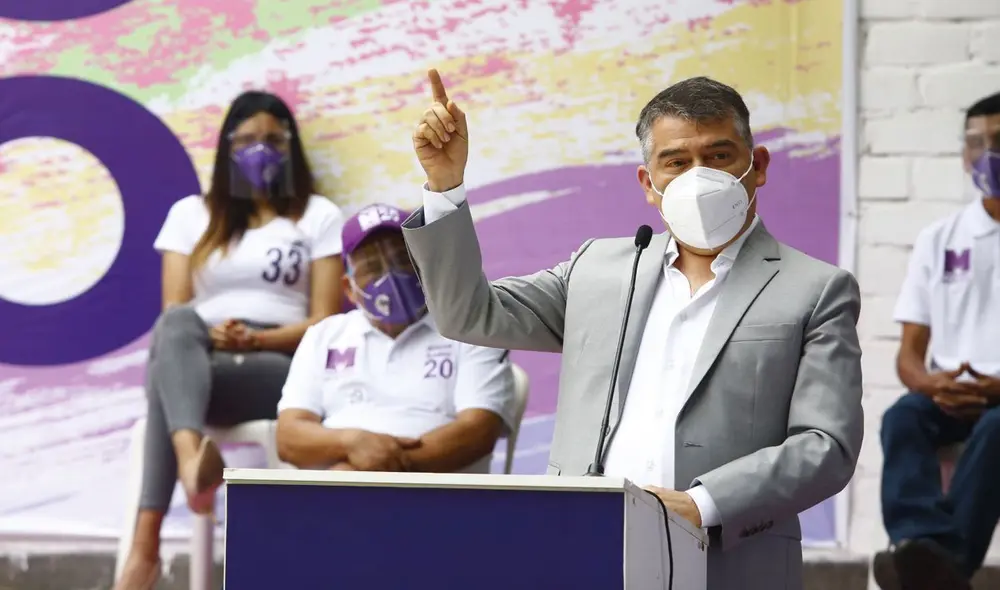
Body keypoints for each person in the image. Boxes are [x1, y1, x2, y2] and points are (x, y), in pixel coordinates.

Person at [401, 70, 863, 590]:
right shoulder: (598, 268)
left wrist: (701, 504)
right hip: (583, 552)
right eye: (676, 162)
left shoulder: (816, 288)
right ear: (648, 184)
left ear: (757, 167)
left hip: (730, 564)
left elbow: (827, 445)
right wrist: (445, 186)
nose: (698, 177)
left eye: (718, 157)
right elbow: (468, 313)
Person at [114, 91, 346, 590]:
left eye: (272, 139)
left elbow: (326, 321)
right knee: (174, 330)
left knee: (166, 385)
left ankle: (145, 549)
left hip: (280, 365)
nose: (259, 150)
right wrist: (218, 340)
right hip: (202, 354)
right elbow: (176, 311)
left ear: (291, 147)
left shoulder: (318, 216)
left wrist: (258, 342)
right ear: (225, 146)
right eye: (246, 140)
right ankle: (190, 460)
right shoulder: (190, 215)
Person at [274, 203, 516, 474]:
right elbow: (289, 438)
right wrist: (351, 443)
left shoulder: (471, 327)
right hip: (335, 496)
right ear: (349, 289)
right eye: (373, 267)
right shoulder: (324, 336)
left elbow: (477, 432)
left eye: (402, 259)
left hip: (436, 500)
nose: (389, 275)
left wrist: (372, 473)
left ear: (426, 266)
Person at [873, 92, 1000, 590]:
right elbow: (909, 351)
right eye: (976, 142)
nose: (987, 153)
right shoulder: (940, 238)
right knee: (902, 416)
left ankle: (940, 566)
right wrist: (928, 386)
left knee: (997, 429)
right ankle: (918, 544)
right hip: (949, 393)